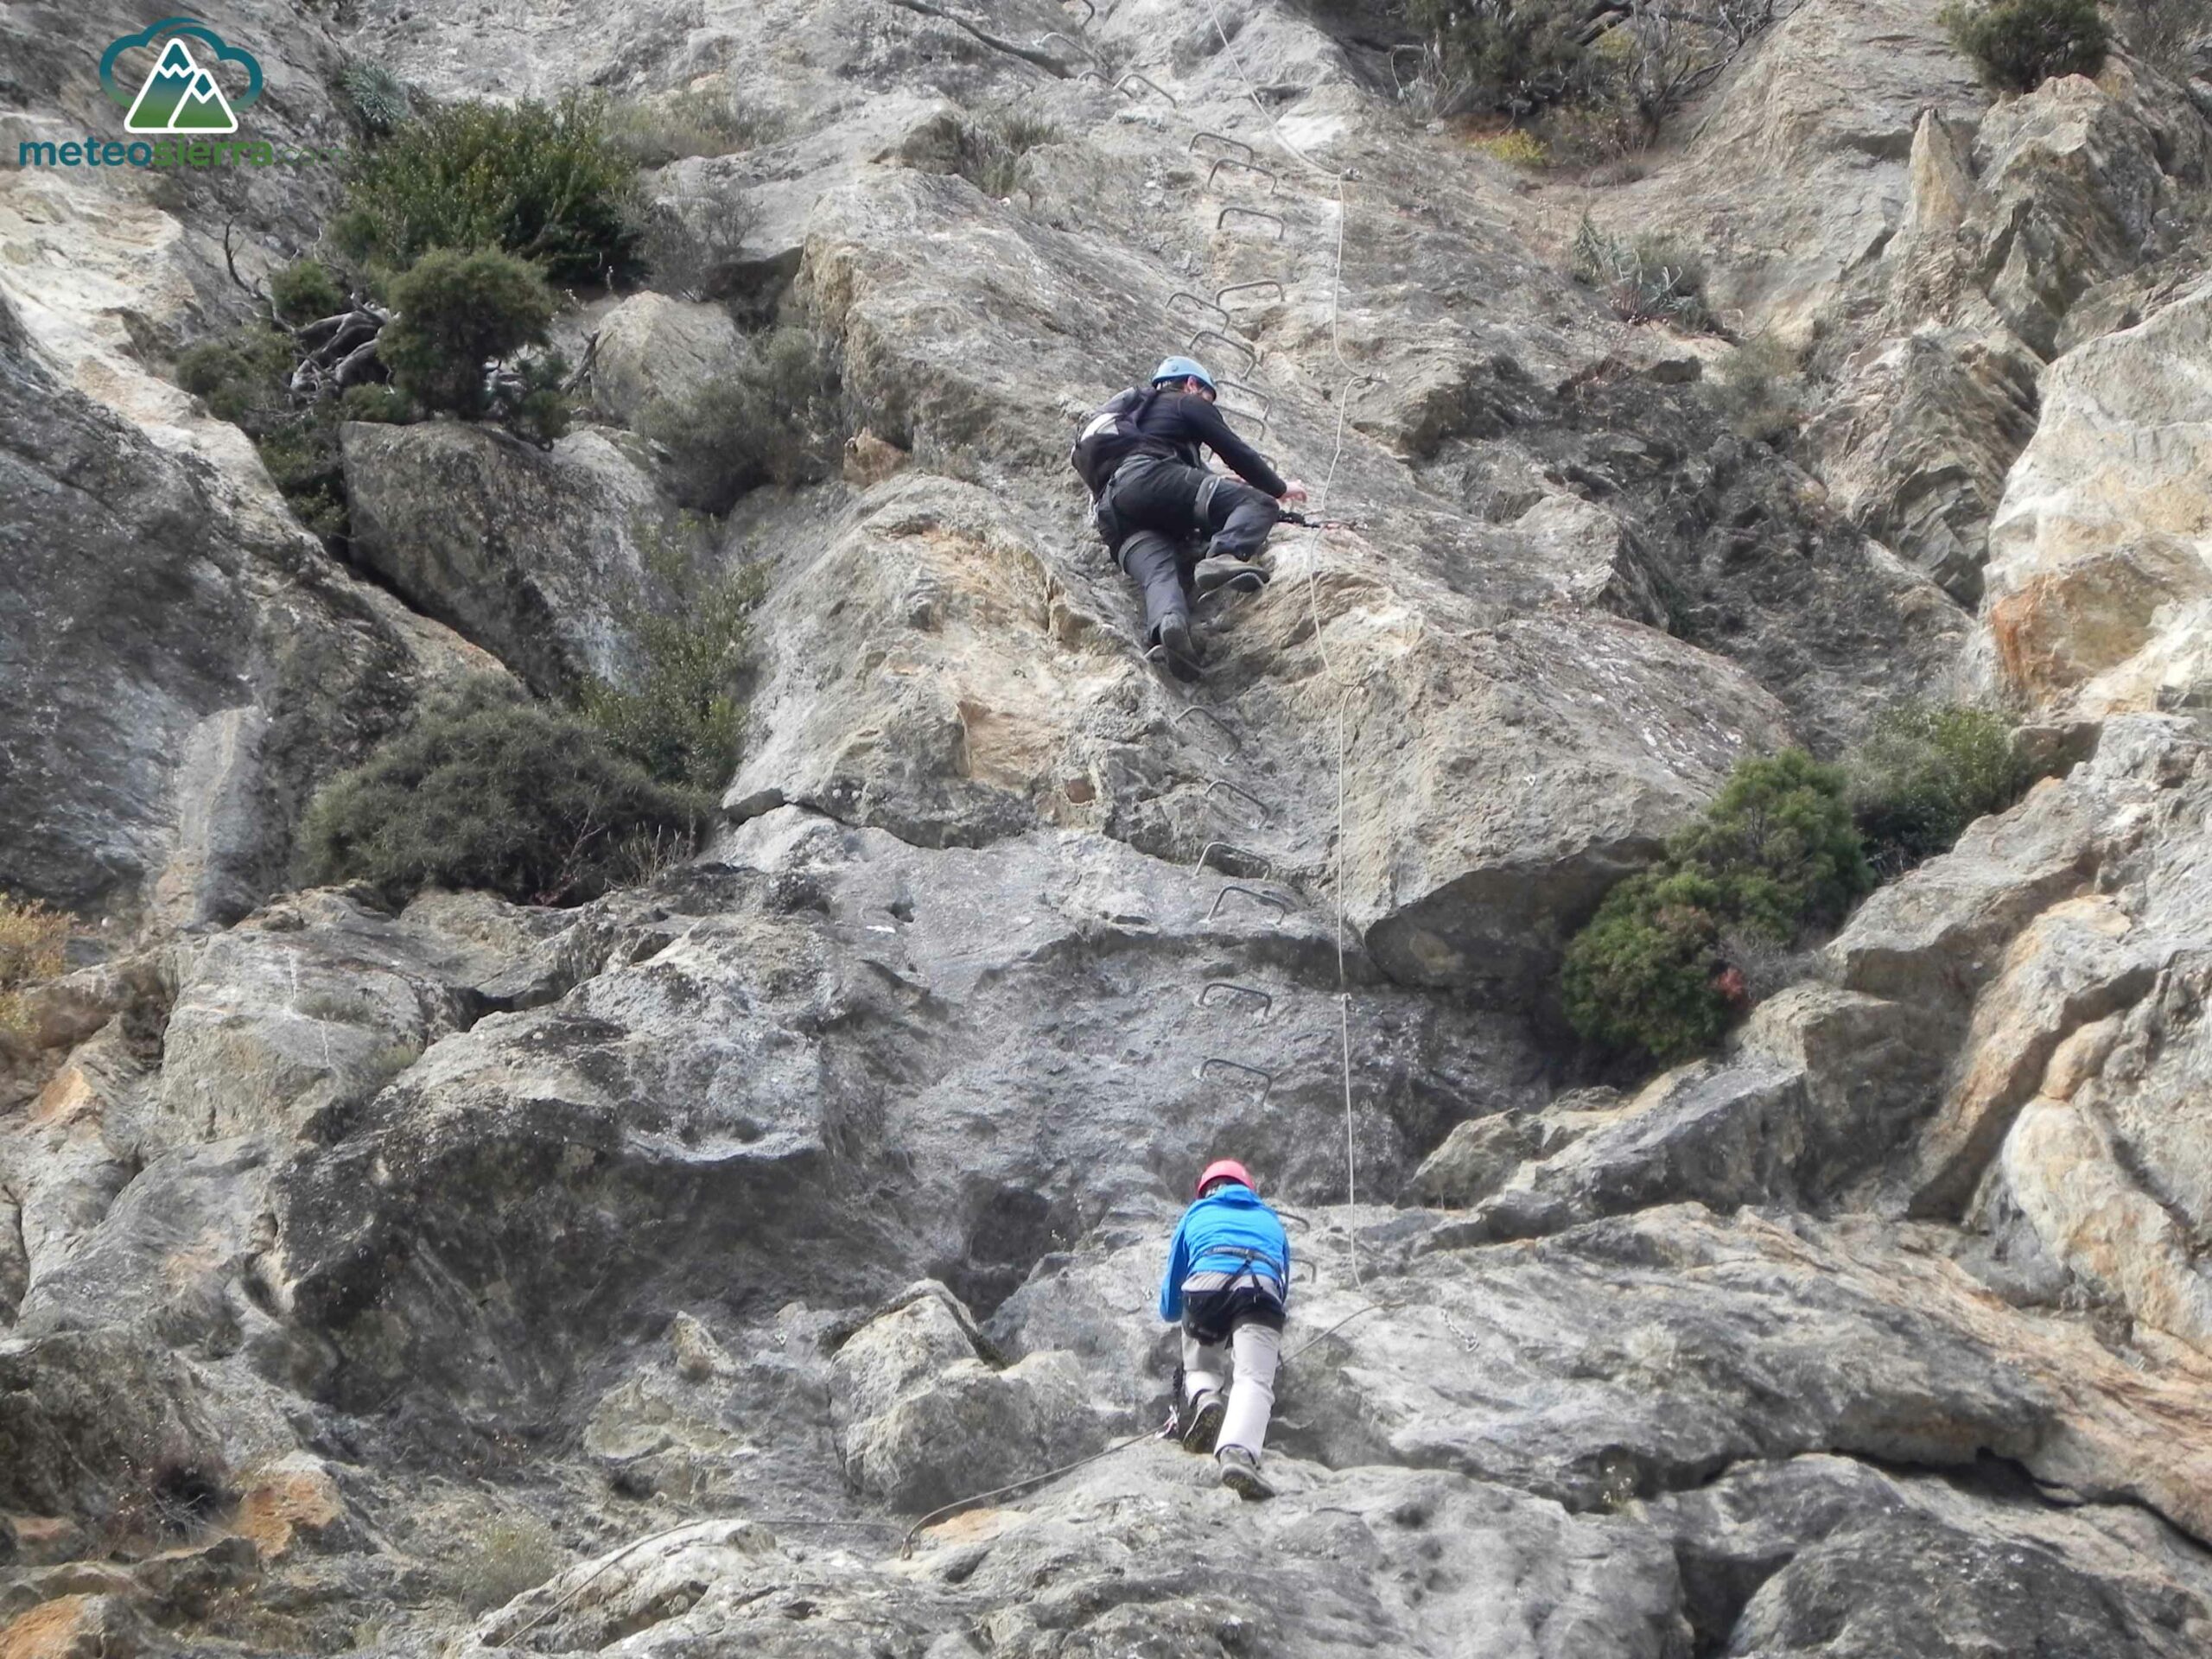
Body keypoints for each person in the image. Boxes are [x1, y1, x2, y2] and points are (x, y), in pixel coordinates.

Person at [1070, 358, 1306, 682]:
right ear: (1193, 384)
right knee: (1259, 503)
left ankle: (1169, 625)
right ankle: (1223, 556)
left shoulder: (1143, 422)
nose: (1208, 403)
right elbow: (1234, 450)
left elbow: (1188, 476)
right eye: (1209, 396)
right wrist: (1280, 489)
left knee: (1160, 573)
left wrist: (1214, 482)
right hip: (1148, 479)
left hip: (1113, 517)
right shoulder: (1183, 402)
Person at [1158, 1158, 1291, 1498]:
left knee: (1200, 1362)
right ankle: (1237, 1455)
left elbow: (1173, 1292)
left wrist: (1178, 1314)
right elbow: (1282, 1281)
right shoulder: (1270, 1219)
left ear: (1206, 1190)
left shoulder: (1196, 1214)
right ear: (1247, 1188)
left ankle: (1206, 1399)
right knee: (1253, 1378)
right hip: (1259, 1291)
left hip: (1206, 1289)